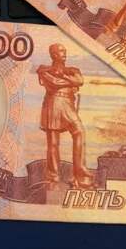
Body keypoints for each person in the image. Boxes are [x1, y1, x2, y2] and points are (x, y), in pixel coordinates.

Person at [37, 44, 94, 188]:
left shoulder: (73, 70)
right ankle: (53, 177)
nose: (64, 53)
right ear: (53, 54)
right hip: (54, 103)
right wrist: (69, 81)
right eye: (61, 51)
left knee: (79, 131)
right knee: (53, 142)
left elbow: (80, 81)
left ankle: (80, 174)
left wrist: (63, 76)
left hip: (68, 104)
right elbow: (54, 83)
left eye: (65, 51)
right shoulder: (44, 69)